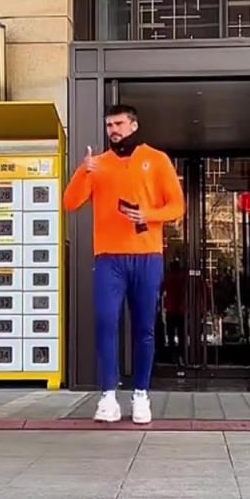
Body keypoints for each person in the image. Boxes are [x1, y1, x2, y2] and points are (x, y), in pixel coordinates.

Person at [64, 103, 185, 424]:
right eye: (109, 125)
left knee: (144, 327)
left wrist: (148, 215)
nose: (113, 130)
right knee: (106, 323)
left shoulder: (156, 159)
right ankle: (107, 395)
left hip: (147, 256)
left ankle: (141, 394)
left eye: (118, 124)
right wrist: (83, 170)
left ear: (133, 125)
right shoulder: (98, 164)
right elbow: (70, 203)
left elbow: (177, 206)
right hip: (108, 258)